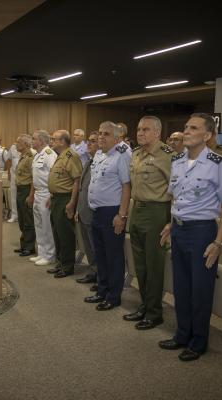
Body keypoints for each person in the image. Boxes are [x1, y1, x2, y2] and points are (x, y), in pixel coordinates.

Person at [159, 113, 222, 362]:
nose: (186, 131)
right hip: (180, 229)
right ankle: (182, 334)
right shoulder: (178, 160)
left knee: (200, 290)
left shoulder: (217, 163)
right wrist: (171, 225)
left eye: (193, 128)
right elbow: (176, 198)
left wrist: (219, 242)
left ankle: (198, 341)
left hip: (203, 231)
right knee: (181, 287)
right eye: (186, 126)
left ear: (208, 135)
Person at [126, 116, 174, 329]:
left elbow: (176, 190)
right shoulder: (136, 153)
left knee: (154, 266)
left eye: (145, 129)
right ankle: (145, 305)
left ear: (157, 133)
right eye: (138, 129)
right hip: (137, 209)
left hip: (156, 212)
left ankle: (155, 313)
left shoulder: (167, 156)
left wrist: (171, 221)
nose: (140, 133)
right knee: (141, 266)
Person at [83, 121, 131, 310]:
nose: (101, 137)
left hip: (112, 213)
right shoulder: (99, 155)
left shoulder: (121, 156)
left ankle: (113, 295)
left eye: (106, 134)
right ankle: (102, 290)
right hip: (96, 211)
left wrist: (122, 215)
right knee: (100, 255)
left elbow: (127, 187)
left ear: (117, 138)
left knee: (113, 257)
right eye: (100, 133)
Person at [47, 130, 83, 278]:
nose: (51, 141)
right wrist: (52, 196)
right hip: (56, 198)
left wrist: (72, 202)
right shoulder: (60, 156)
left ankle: (68, 266)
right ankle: (61, 262)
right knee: (57, 233)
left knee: (66, 234)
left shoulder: (71, 156)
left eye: (54, 139)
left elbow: (76, 180)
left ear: (62, 141)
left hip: (65, 199)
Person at [28, 130, 58, 266]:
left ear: (41, 141)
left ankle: (50, 255)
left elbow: (54, 176)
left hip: (46, 193)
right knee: (39, 225)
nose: (32, 141)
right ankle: (42, 253)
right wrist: (32, 194)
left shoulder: (49, 154)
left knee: (47, 226)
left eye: (34, 139)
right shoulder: (37, 155)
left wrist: (52, 195)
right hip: (38, 192)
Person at [75, 131, 99, 285]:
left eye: (93, 141)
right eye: (88, 141)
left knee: (95, 246)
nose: (88, 144)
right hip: (84, 210)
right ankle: (93, 271)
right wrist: (78, 208)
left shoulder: (100, 162)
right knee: (88, 245)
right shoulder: (89, 161)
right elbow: (82, 188)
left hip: (93, 211)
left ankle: (98, 273)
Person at [13, 134, 36, 257]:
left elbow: (33, 178)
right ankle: (24, 244)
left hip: (27, 189)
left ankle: (29, 246)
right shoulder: (22, 156)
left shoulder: (31, 157)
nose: (16, 144)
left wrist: (31, 194)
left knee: (28, 219)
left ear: (26, 144)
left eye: (18, 142)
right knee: (21, 218)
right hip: (20, 190)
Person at [3, 142, 20, 222]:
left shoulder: (30, 149)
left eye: (19, 142)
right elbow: (8, 160)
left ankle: (22, 216)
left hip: (24, 176)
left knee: (23, 196)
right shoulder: (13, 147)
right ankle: (14, 215)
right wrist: (9, 173)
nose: (17, 143)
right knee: (13, 195)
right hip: (13, 174)